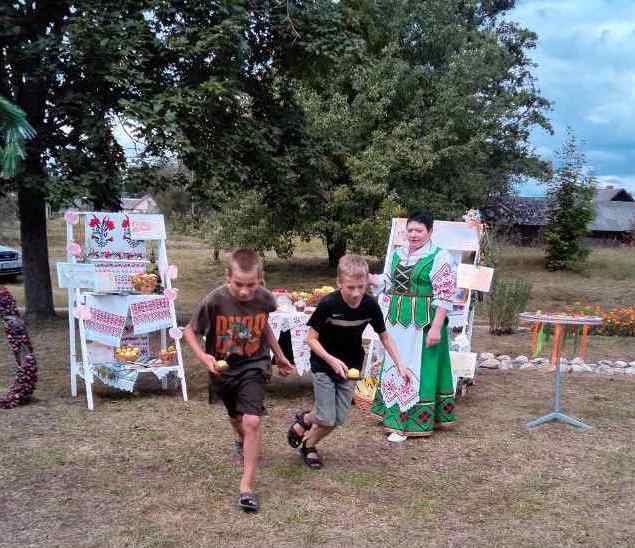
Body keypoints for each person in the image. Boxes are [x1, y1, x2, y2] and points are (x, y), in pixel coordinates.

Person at [183, 248, 294, 513]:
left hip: (254, 364)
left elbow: (263, 325)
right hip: (223, 369)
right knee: (236, 418)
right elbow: (189, 331)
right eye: (238, 284)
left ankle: (246, 487)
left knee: (252, 421)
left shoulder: (265, 298)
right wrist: (204, 357)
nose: (245, 291)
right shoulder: (215, 300)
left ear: (260, 280)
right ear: (228, 277)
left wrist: (279, 356)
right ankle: (241, 439)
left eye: (251, 285)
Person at [287, 254, 412, 468]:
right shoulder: (328, 304)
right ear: (339, 283)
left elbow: (385, 336)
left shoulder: (370, 305)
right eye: (350, 287)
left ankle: (308, 442)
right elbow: (311, 339)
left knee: (338, 418)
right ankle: (306, 423)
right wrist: (331, 360)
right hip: (323, 364)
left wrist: (400, 364)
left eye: (361, 287)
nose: (356, 293)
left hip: (352, 365)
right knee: (326, 417)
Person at [369, 210, 457, 442]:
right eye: (410, 230)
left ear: (430, 231)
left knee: (416, 369)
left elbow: (445, 295)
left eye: (419, 230)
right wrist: (369, 278)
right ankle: (393, 414)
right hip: (397, 322)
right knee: (395, 364)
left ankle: (408, 423)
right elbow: (388, 281)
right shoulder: (397, 254)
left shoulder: (440, 256)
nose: (414, 234)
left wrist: (436, 327)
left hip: (423, 324)